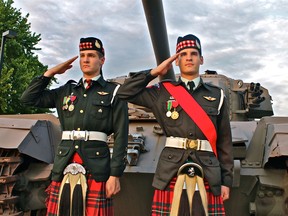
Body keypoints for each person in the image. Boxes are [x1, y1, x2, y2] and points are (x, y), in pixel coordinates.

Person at [117, 34, 233, 215]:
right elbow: (123, 93)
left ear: (201, 59)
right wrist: (153, 73)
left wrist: (226, 181)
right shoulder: (162, 92)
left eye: (193, 54)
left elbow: (224, 141)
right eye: (183, 54)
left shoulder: (217, 95)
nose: (188, 57)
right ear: (176, 61)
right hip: (171, 169)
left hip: (208, 170)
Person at [20, 37, 128, 216]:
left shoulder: (113, 92)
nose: (85, 59)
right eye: (82, 55)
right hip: (65, 163)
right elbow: (28, 99)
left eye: (91, 55)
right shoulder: (65, 91)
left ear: (102, 60)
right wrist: (50, 73)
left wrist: (115, 175)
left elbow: (121, 137)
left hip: (96, 165)